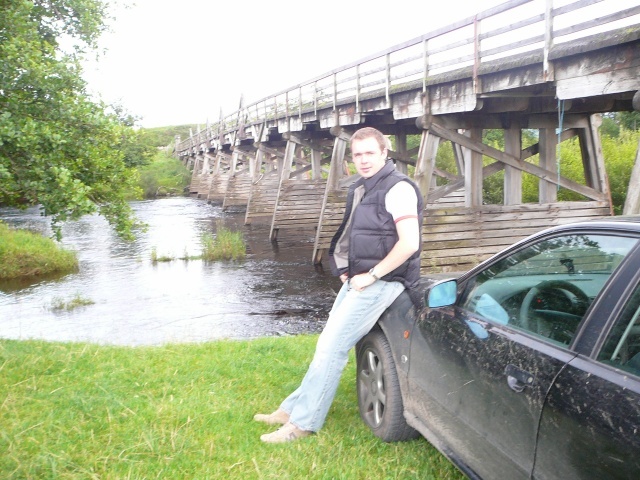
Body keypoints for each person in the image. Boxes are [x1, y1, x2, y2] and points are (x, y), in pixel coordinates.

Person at [254, 126, 424, 443]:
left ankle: (303, 424)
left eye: (370, 153)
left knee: (332, 349)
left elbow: (409, 244)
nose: (363, 160)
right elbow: (356, 235)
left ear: (385, 153)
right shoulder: (365, 186)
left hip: (384, 281)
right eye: (357, 155)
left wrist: (372, 275)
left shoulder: (398, 188)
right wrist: (346, 269)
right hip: (360, 279)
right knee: (326, 345)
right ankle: (292, 409)